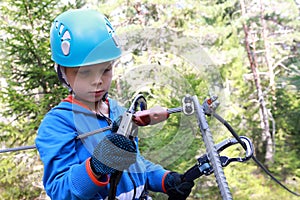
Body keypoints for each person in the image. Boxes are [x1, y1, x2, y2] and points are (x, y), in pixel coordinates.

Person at [35, 8, 194, 200]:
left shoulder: (117, 110)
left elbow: (134, 163)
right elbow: (60, 190)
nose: (97, 81)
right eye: (84, 72)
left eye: (105, 70)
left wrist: (164, 179)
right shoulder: (58, 123)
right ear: (63, 73)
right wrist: (95, 167)